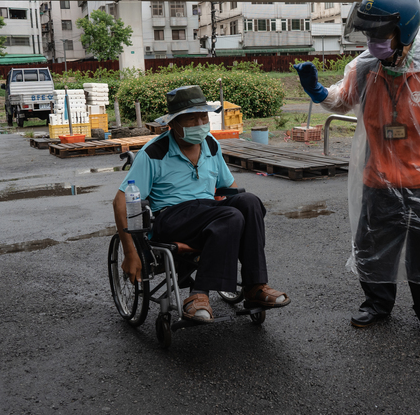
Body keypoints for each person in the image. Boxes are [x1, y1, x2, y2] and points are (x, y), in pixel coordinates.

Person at [294, 0, 420, 339]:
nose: (373, 40)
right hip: (379, 177)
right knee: (373, 247)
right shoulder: (368, 67)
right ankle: (376, 305)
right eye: (369, 32)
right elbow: (342, 99)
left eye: (380, 32)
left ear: (404, 28)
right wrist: (318, 91)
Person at [112, 85, 290, 323]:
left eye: (203, 117)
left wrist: (234, 206)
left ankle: (255, 287)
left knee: (249, 202)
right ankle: (197, 296)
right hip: (172, 217)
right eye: (190, 119)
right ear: (172, 123)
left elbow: (229, 186)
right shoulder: (154, 153)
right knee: (230, 217)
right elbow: (120, 201)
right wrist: (129, 252)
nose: (199, 124)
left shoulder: (210, 144)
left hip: (207, 213)